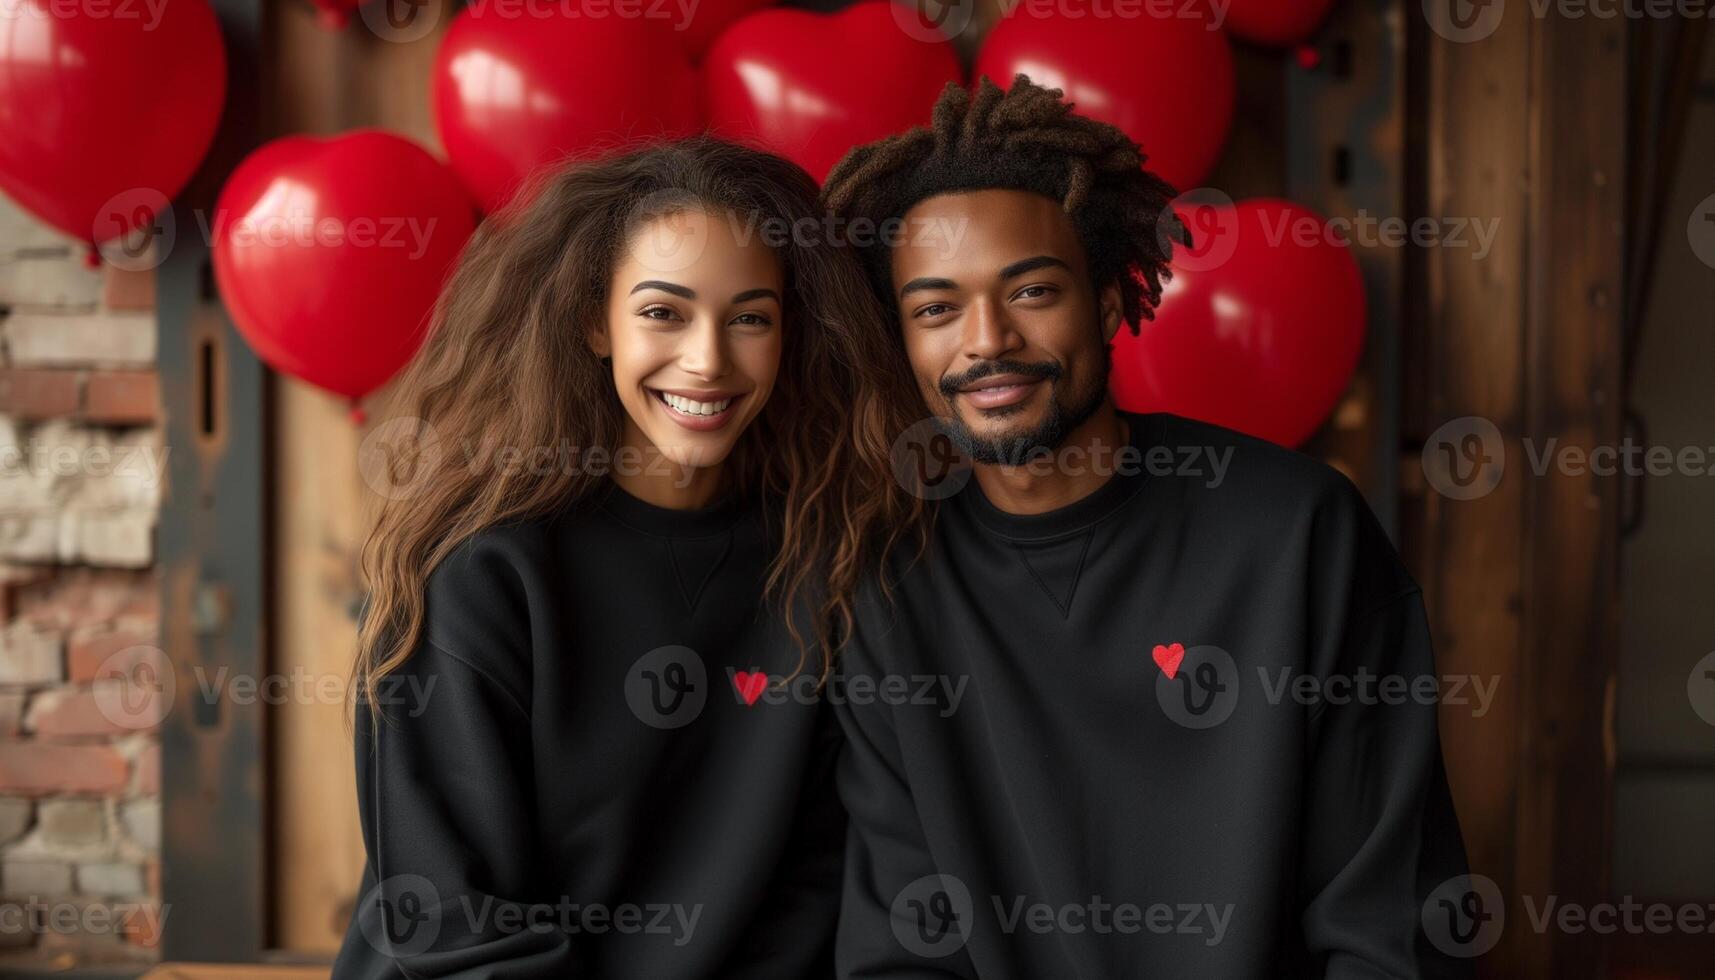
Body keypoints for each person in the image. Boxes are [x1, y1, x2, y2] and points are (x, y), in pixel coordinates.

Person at [818, 76, 1473, 978]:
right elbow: (903, 946)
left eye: (1033, 290)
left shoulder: (1296, 534)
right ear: (904, 344)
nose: (986, 340)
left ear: (1113, 301)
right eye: (935, 310)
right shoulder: (889, 582)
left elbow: (1386, 930)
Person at [333, 136, 922, 978]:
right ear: (593, 321)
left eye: (749, 317)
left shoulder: (826, 561)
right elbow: (452, 923)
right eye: (662, 312)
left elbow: (819, 891)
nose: (707, 358)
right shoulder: (483, 570)